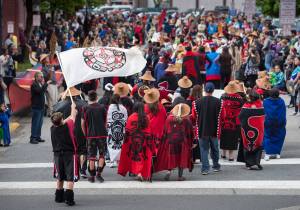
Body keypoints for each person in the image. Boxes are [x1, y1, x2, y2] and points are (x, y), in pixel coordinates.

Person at [155, 103, 194, 181]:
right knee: (181, 158)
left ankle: (168, 173)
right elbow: (190, 132)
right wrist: (191, 142)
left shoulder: (169, 118)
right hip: (182, 142)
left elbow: (165, 130)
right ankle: (180, 176)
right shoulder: (186, 120)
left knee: (171, 157)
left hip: (170, 141)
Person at [118, 102, 155, 181]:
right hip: (144, 140)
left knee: (135, 156)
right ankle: (141, 173)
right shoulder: (146, 117)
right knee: (143, 157)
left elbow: (128, 130)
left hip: (133, 140)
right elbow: (149, 130)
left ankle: (138, 173)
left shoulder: (131, 117)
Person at [51, 103, 78, 206]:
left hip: (57, 155)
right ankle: (69, 199)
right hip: (69, 154)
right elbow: (72, 116)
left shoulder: (53, 128)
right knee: (70, 177)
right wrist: (72, 107)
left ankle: (59, 197)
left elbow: (63, 121)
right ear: (61, 120)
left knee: (60, 177)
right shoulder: (69, 125)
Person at [191, 82, 221, 175]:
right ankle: (215, 166)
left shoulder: (196, 103)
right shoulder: (219, 102)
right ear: (213, 91)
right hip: (215, 129)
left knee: (204, 150)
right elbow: (222, 116)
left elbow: (193, 117)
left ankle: (205, 169)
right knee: (215, 148)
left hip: (201, 129)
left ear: (204, 90)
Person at [81, 90, 107, 183]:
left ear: (88, 97)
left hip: (90, 135)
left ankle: (92, 176)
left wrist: (86, 134)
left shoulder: (85, 108)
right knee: (102, 154)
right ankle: (98, 174)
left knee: (91, 156)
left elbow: (82, 124)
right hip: (102, 134)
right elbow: (106, 121)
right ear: (97, 97)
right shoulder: (102, 107)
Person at [239, 90, 265, 170]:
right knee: (257, 145)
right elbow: (263, 117)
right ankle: (257, 162)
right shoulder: (260, 106)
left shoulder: (245, 106)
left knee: (247, 145)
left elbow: (240, 117)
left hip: (247, 129)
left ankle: (249, 164)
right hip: (259, 130)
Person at [218, 81, 243, 161]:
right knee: (233, 138)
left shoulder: (223, 97)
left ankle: (223, 154)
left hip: (224, 120)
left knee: (224, 136)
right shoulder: (240, 98)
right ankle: (231, 156)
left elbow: (219, 108)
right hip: (234, 121)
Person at [263, 88, 286, 160]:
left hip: (268, 121)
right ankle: (277, 153)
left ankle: (268, 153)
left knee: (267, 136)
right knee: (279, 136)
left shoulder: (266, 101)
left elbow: (263, 111)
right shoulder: (281, 101)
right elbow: (283, 112)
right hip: (279, 121)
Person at [106, 94, 128, 168]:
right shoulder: (123, 108)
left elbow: (107, 118)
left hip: (111, 129)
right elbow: (126, 119)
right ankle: (118, 160)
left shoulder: (109, 108)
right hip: (122, 128)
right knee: (120, 144)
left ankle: (112, 160)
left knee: (111, 144)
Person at [30, 72, 51, 144]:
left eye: (42, 76)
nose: (42, 78)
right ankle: (33, 138)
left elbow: (43, 92)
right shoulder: (34, 85)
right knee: (35, 123)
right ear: (36, 77)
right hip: (36, 107)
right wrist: (46, 84)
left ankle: (38, 137)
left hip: (41, 107)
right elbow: (39, 91)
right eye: (40, 77)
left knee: (40, 123)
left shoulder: (40, 84)